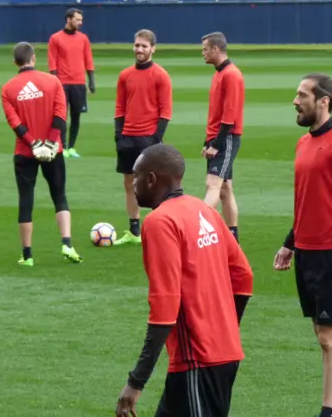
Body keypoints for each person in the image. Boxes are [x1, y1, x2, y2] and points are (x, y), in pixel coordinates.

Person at [115, 144, 254, 417]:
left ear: (152, 179)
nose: (133, 184)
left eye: (137, 176)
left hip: (197, 360)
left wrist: (136, 381)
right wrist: (222, 328)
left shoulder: (159, 222)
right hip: (223, 354)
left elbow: (164, 307)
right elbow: (244, 277)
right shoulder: (206, 212)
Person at [273, 74, 332, 417]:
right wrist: (289, 243)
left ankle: (328, 412)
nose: (295, 101)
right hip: (306, 250)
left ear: (323, 100)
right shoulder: (304, 143)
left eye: (301, 95)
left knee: (331, 337)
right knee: (321, 334)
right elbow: (305, 202)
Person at [0, 42, 83, 266]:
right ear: (34, 58)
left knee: (26, 200)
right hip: (52, 150)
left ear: (15, 61)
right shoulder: (52, 81)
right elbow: (60, 115)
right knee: (59, 196)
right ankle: (67, 244)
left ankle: (27, 255)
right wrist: (49, 143)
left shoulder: (8, 88)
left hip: (25, 152)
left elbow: (14, 122)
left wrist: (33, 143)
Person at [113, 29, 173, 246]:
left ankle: (160, 230)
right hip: (128, 137)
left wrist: (156, 139)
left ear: (153, 49)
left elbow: (165, 110)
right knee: (129, 183)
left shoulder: (161, 75)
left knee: (155, 185)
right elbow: (120, 107)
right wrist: (118, 135)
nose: (139, 49)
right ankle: (134, 229)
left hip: (149, 138)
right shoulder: (125, 75)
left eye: (144, 46)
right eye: (137, 45)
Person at [200, 31, 245, 242]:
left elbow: (229, 115)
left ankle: (198, 230)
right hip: (218, 138)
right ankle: (232, 236)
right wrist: (207, 142)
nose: (203, 53)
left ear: (216, 49)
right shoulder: (219, 73)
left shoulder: (231, 75)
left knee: (213, 184)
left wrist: (216, 145)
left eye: (205, 49)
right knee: (225, 188)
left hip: (226, 138)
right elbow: (216, 114)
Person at [48, 7, 95, 158]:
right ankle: (62, 146)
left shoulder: (83, 38)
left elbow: (88, 60)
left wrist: (91, 81)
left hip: (79, 83)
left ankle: (71, 148)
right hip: (62, 83)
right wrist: (55, 81)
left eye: (81, 20)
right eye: (77, 19)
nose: (80, 22)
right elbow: (52, 61)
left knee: (76, 116)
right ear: (69, 19)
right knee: (61, 116)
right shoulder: (55, 38)